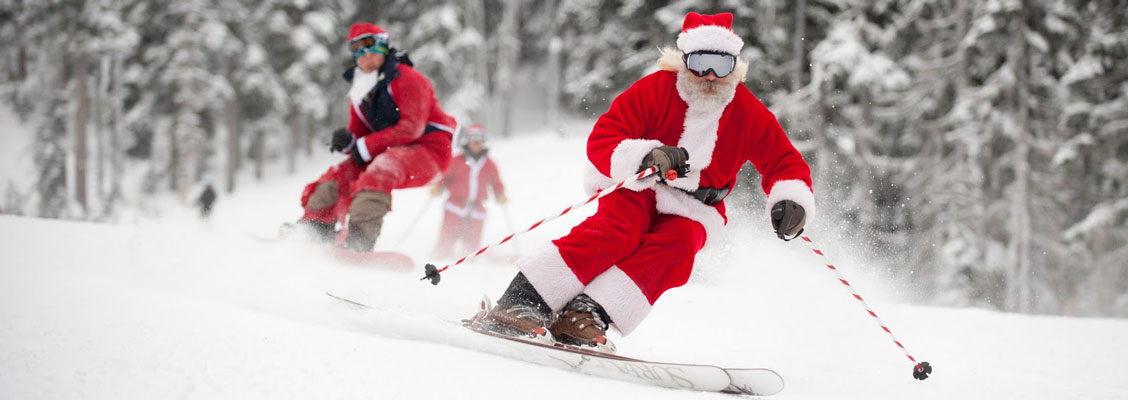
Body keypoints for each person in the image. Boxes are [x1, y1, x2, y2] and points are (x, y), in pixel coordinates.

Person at [476, 12, 816, 353]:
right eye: (700, 63)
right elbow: (603, 138)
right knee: (618, 232)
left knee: (678, 248)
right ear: (684, 62)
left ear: (734, 67)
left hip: (695, 207)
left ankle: (585, 315)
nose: (710, 76)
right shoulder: (655, 90)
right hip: (640, 184)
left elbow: (783, 161)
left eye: (721, 65)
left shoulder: (747, 112)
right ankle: (523, 300)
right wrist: (647, 157)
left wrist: (791, 199)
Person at [295, 22, 456, 251]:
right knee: (338, 177)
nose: (366, 55)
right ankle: (314, 231)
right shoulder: (361, 88)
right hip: (385, 151)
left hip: (429, 153)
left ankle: (359, 241)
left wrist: (364, 146)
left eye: (372, 48)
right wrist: (348, 142)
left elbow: (412, 128)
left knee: (381, 170)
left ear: (384, 48)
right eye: (358, 50)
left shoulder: (409, 78)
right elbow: (359, 134)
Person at [430, 124, 507, 258]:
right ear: (467, 141)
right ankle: (440, 257)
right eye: (473, 139)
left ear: (483, 142)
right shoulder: (457, 161)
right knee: (447, 236)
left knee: (472, 242)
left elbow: (496, 183)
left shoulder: (489, 164)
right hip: (455, 206)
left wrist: (500, 194)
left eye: (479, 140)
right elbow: (445, 177)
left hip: (477, 209)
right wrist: (438, 187)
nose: (476, 143)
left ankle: (468, 261)